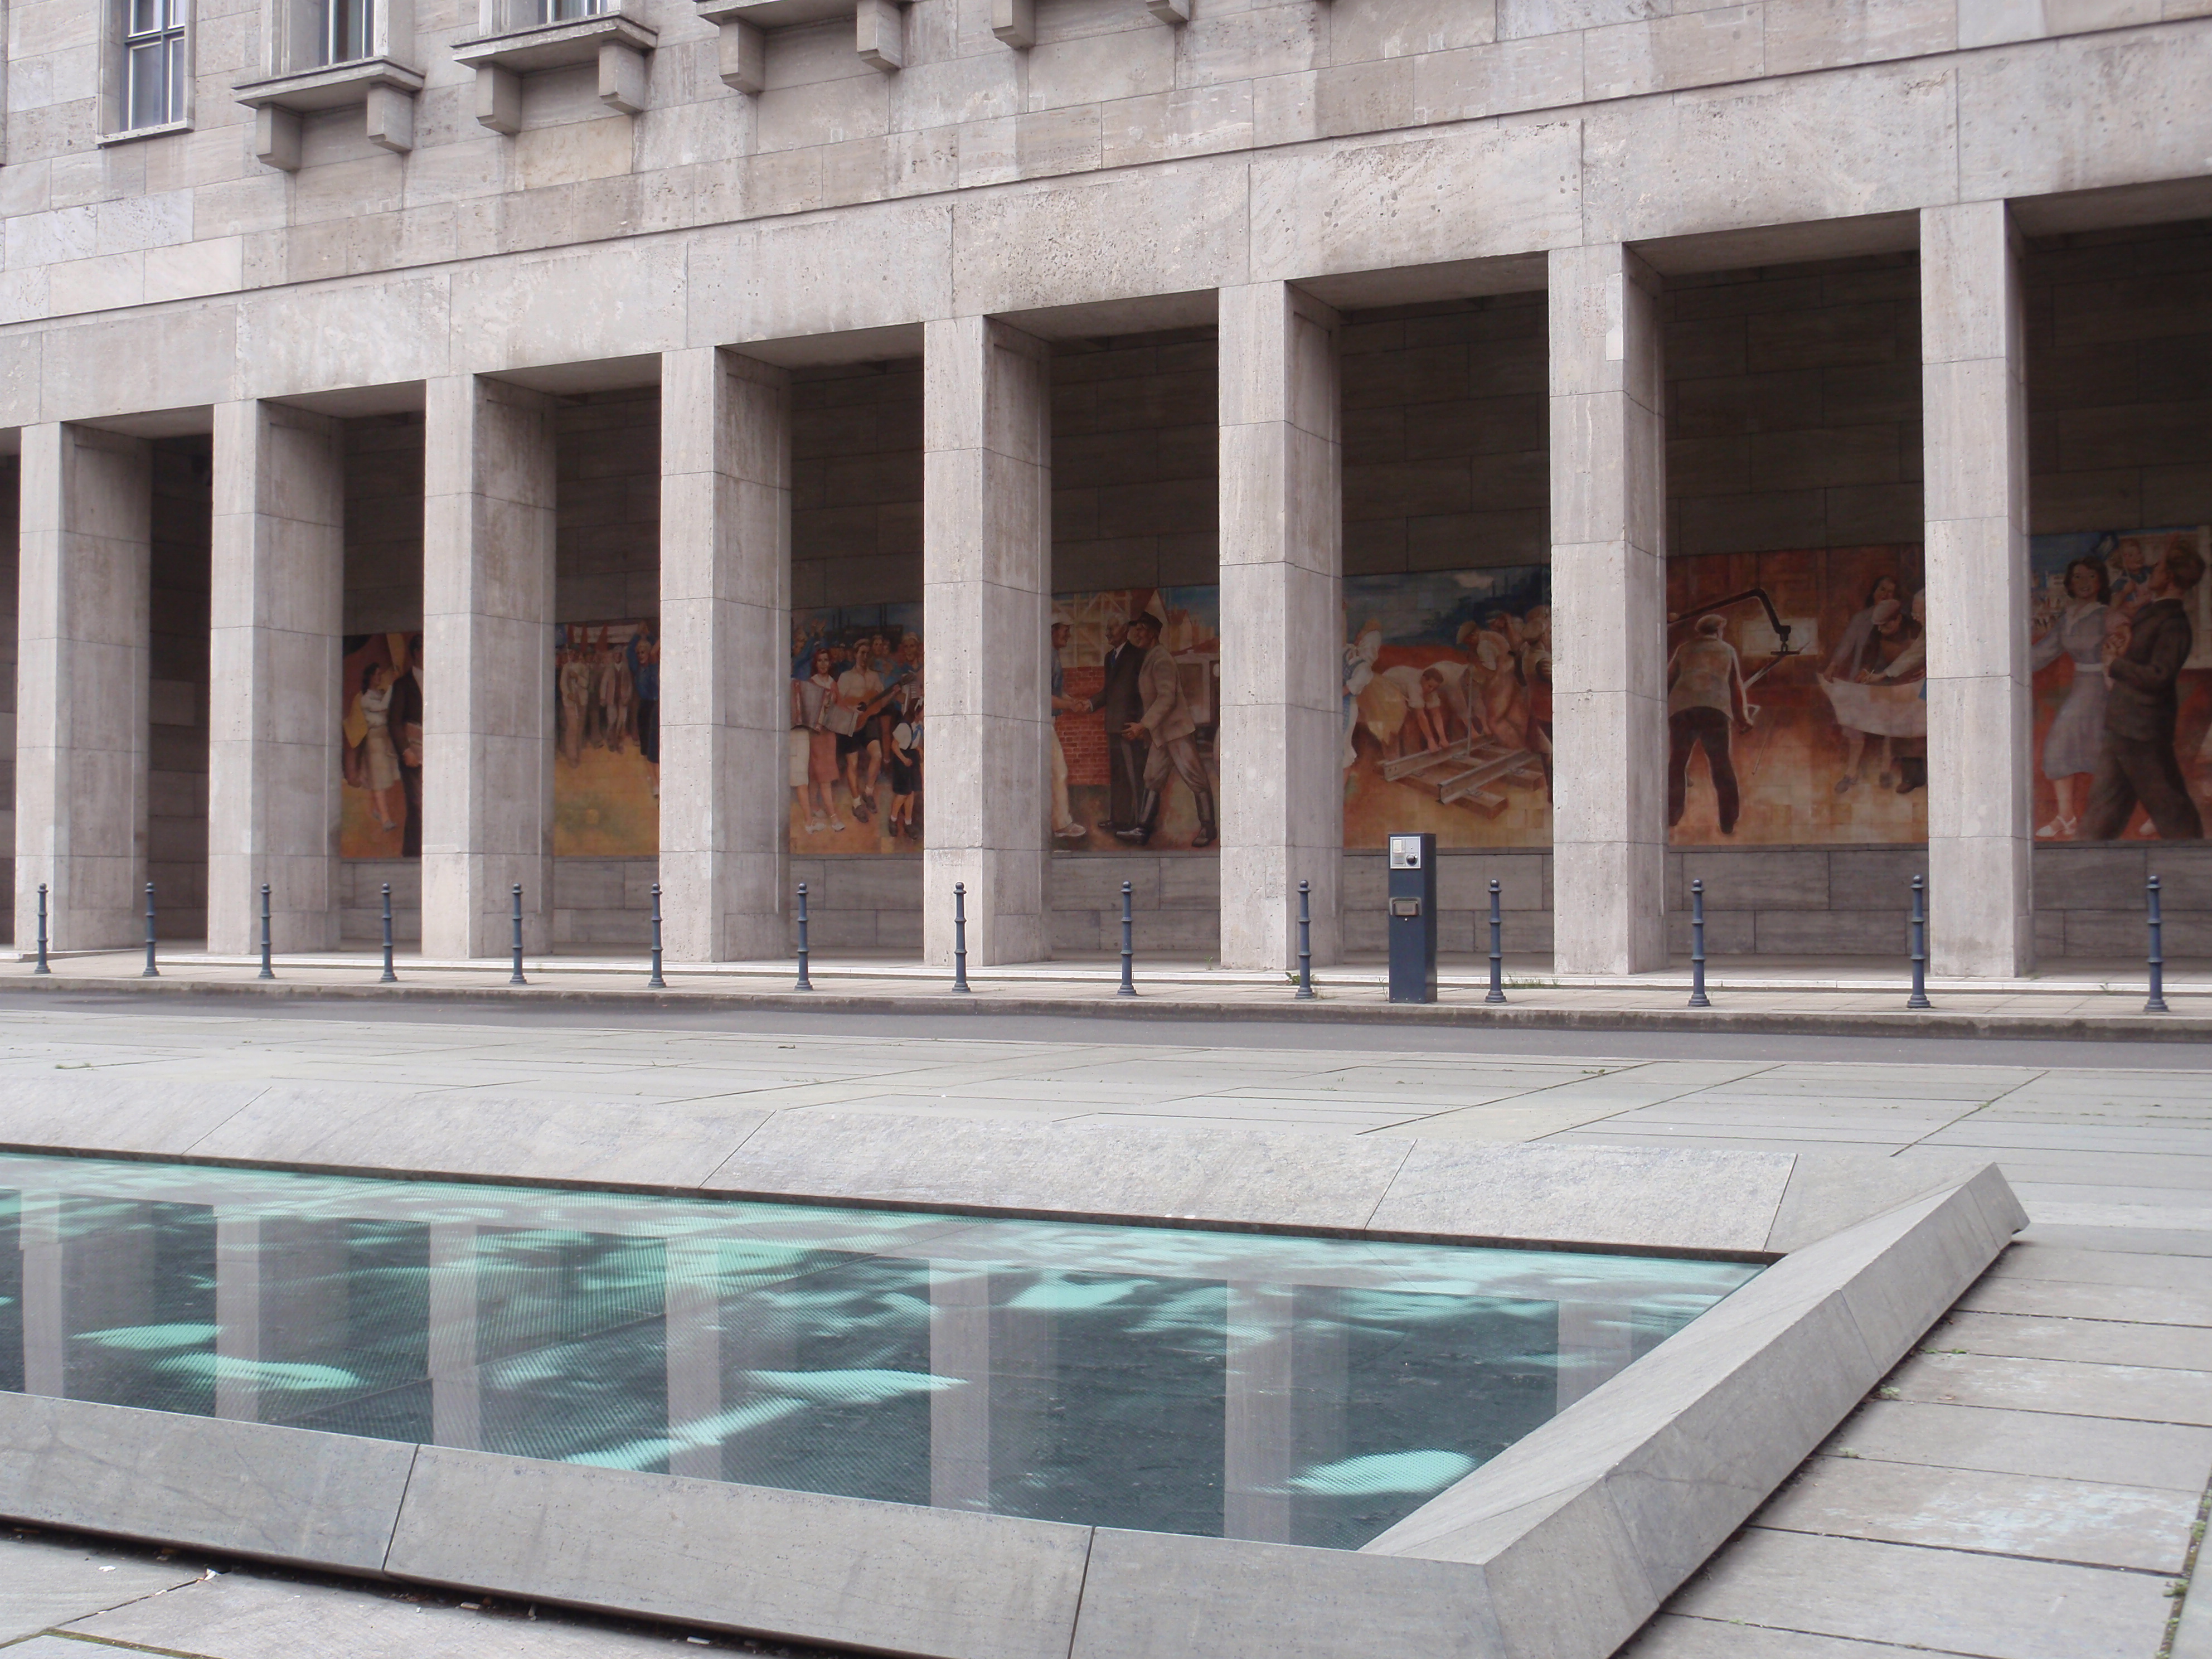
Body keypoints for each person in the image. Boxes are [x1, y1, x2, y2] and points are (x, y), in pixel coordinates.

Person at [2083, 544, 2206, 841]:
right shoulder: (2154, 612)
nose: (2153, 571)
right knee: (2101, 812)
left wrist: (2116, 664)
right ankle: (2081, 870)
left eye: (2161, 568)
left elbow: (2159, 676)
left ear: (2173, 578)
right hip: (2125, 723)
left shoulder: (2174, 624)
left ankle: (2197, 872)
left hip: (2142, 729)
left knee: (2171, 810)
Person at [1115, 607, 1216, 848]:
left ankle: (1209, 827)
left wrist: (1143, 726)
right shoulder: (1151, 657)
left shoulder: (1161, 659)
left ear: (1152, 633)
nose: (1136, 635)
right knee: (1152, 778)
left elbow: (1166, 698)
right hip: (1162, 734)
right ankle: (1142, 829)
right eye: (1135, 631)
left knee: (1196, 778)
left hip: (1176, 732)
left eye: (1140, 631)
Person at [2030, 558, 2114, 837]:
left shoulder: (2106, 615)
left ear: (2100, 581)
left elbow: (2122, 649)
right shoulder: (2069, 618)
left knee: (2093, 748)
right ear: (2070, 583)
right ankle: (2067, 816)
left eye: (2091, 576)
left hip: (2104, 686)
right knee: (2062, 747)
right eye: (2078, 577)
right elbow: (2045, 651)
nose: (2085, 582)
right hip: (2083, 687)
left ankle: (2095, 818)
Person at [1666, 614, 1752, 835]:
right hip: (1715, 711)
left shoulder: (1684, 649)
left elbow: (1668, 681)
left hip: (1683, 710)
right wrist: (1742, 718)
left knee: (1677, 762)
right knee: (1721, 764)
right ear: (1718, 631)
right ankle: (1728, 820)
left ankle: (1672, 815)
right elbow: (1735, 686)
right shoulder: (1727, 650)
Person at [1825, 576, 1903, 792]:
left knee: (1889, 727)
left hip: (1887, 682)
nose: (1885, 595)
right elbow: (1847, 644)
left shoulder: (1899, 622)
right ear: (1874, 591)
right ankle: (1851, 774)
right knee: (1855, 729)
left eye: (1891, 592)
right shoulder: (1861, 619)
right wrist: (1833, 665)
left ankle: (1886, 770)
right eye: (1882, 589)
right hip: (1860, 682)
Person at [1098, 614, 1147, 831]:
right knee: (1118, 775)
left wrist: (1140, 725)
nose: (1108, 633)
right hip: (1113, 726)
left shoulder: (1138, 656)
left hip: (1129, 728)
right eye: (1107, 629)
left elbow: (1143, 693)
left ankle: (1138, 822)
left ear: (1126, 629)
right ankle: (1118, 819)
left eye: (1112, 628)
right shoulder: (1109, 657)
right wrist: (1089, 704)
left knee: (1134, 776)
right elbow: (1108, 692)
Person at [794, 647, 844, 833]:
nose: (823, 664)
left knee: (817, 772)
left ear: (830, 663)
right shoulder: (811, 683)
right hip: (816, 734)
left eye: (826, 660)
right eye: (820, 660)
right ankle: (834, 817)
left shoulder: (833, 683)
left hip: (829, 734)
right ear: (816, 663)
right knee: (825, 775)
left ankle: (814, 804)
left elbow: (840, 706)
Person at [1048, 612, 1088, 840]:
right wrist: (1071, 706)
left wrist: (1072, 702)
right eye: (1065, 630)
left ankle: (1058, 823)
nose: (1068, 636)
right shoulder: (1046, 656)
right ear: (1052, 630)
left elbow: (1056, 693)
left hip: (1048, 722)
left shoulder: (1053, 655)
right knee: (1059, 771)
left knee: (1055, 773)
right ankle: (1061, 824)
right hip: (1041, 723)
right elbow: (1045, 697)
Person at [835, 643, 886, 822]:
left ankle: (868, 792)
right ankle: (856, 803)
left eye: (868, 653)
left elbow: (881, 700)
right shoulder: (846, 677)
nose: (865, 656)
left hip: (868, 720)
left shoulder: (874, 677)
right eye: (862, 653)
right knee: (853, 765)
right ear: (855, 654)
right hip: (850, 722)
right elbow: (837, 701)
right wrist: (851, 707)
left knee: (878, 755)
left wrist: (891, 694)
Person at [356, 662, 406, 832]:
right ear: (370, 677)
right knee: (378, 779)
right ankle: (386, 820)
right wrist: (394, 685)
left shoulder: (380, 694)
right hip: (375, 741)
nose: (379, 678)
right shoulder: (366, 698)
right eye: (376, 675)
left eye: (380, 674)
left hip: (385, 739)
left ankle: (377, 809)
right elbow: (383, 707)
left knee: (384, 777)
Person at [1518, 606, 1554, 801]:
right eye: (1548, 633)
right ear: (1542, 637)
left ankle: (1552, 792)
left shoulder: (1527, 654)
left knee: (1547, 753)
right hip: (1549, 713)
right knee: (1554, 754)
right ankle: (1554, 793)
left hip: (1538, 710)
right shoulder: (1543, 661)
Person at [628, 626, 660, 799]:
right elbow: (630, 655)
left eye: (643, 652)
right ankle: (655, 784)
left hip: (656, 706)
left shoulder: (654, 666)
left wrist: (650, 635)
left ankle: (659, 783)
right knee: (647, 750)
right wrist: (637, 636)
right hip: (646, 707)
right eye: (639, 653)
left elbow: (655, 651)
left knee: (654, 749)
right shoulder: (638, 668)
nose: (641, 656)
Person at [886, 717, 920, 840]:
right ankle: (893, 819)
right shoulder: (905, 726)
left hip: (912, 758)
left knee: (911, 793)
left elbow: (914, 744)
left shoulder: (919, 726)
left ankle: (908, 822)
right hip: (902, 759)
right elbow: (894, 745)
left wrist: (919, 751)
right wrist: (904, 759)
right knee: (903, 793)